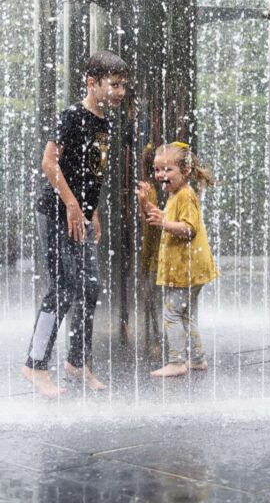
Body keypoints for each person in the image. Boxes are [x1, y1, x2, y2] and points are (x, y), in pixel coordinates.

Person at [22, 50, 129, 398]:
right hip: (54, 212)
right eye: (114, 85)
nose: (119, 92)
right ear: (91, 82)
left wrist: (90, 209)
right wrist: (71, 204)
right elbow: (49, 163)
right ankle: (34, 364)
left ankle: (77, 362)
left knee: (90, 286)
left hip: (78, 213)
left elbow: (93, 174)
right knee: (64, 286)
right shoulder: (72, 116)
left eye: (124, 85)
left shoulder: (105, 124)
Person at [136, 141, 218, 377]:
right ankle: (197, 358)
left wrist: (164, 223)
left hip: (187, 268)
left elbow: (189, 228)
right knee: (186, 314)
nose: (160, 175)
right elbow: (163, 218)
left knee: (172, 313)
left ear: (186, 171)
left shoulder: (186, 196)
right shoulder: (175, 195)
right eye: (157, 170)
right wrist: (146, 203)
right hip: (189, 268)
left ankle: (176, 361)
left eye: (167, 169)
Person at [139, 143, 162, 357]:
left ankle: (157, 341)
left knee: (154, 299)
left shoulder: (152, 191)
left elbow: (153, 227)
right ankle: (155, 339)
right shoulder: (151, 189)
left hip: (157, 258)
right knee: (153, 299)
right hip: (154, 258)